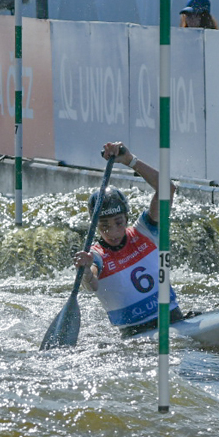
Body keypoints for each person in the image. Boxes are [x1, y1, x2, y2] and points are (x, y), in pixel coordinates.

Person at [72, 141, 185, 337]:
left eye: (118, 222)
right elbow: (92, 285)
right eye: (104, 226)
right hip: (136, 337)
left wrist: (130, 161)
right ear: (95, 226)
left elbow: (167, 188)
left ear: (126, 218)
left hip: (174, 320)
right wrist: (85, 271)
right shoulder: (95, 256)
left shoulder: (145, 231)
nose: (113, 232)